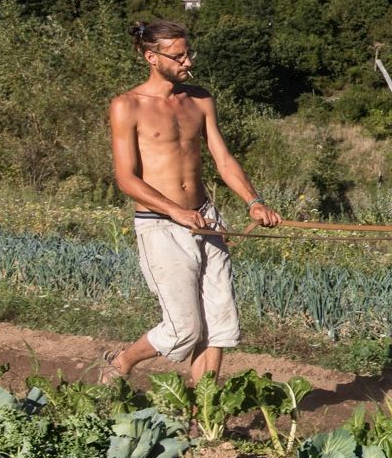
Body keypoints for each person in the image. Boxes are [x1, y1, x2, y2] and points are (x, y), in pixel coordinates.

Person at [104, 20, 281, 385]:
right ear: (152, 57)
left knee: (219, 325)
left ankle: (204, 414)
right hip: (162, 226)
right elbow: (126, 177)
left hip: (207, 220)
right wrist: (175, 211)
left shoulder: (199, 99)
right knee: (184, 329)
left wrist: (254, 201)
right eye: (179, 55)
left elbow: (224, 159)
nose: (188, 62)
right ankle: (122, 361)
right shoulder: (128, 105)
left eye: (189, 53)